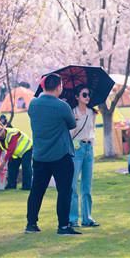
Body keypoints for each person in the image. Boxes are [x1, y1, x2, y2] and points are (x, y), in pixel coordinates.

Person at [26, 73, 80, 235]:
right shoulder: (62, 106)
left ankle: (31, 223)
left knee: (37, 190)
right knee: (64, 191)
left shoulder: (33, 104)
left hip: (40, 154)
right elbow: (71, 124)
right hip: (60, 154)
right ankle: (63, 226)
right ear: (59, 87)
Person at [68, 85, 100, 228]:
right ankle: (73, 219)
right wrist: (73, 121)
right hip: (77, 148)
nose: (87, 97)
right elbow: (69, 135)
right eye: (84, 94)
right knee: (73, 185)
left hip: (88, 149)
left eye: (89, 95)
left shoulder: (92, 113)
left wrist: (91, 144)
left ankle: (87, 218)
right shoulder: (71, 112)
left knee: (87, 186)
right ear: (77, 97)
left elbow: (92, 131)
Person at [0, 124, 33, 190]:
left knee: (26, 167)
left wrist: (3, 163)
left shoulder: (12, 134)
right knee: (11, 167)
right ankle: (11, 185)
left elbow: (11, 149)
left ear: (3, 131)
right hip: (16, 153)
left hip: (27, 149)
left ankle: (27, 186)